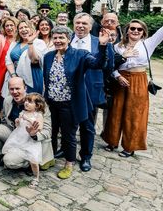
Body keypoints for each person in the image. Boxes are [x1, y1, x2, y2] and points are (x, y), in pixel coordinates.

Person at [43, 25, 109, 179]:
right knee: (51, 133)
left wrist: (103, 46)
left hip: (69, 104)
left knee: (68, 135)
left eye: (61, 37)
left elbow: (98, 64)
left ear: (68, 39)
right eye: (55, 37)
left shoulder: (80, 55)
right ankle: (50, 157)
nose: (58, 40)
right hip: (52, 102)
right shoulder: (48, 57)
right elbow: (48, 80)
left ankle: (69, 162)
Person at [102, 20, 163, 157]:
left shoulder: (148, 43)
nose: (135, 31)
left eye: (139, 29)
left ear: (143, 32)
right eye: (132, 28)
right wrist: (117, 76)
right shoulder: (118, 46)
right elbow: (111, 64)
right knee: (116, 111)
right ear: (127, 30)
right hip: (121, 79)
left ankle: (130, 146)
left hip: (139, 79)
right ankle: (112, 141)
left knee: (135, 113)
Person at [68, 12, 114, 171]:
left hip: (90, 90)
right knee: (68, 124)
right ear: (73, 24)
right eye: (78, 23)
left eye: (84, 24)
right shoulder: (67, 40)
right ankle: (68, 151)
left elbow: (108, 67)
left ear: (91, 26)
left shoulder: (100, 42)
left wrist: (98, 84)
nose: (80, 26)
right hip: (69, 90)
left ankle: (86, 156)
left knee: (87, 126)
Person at [0, 76, 54, 170]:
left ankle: (29, 162)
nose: (14, 92)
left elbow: (48, 130)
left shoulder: (38, 103)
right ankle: (1, 153)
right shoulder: (7, 100)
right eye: (11, 89)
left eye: (17, 88)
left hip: (32, 141)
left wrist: (34, 135)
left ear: (25, 88)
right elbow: (5, 120)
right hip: (15, 134)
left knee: (9, 162)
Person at [2, 93, 46, 188]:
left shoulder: (38, 115)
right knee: (13, 150)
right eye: (26, 100)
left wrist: (29, 120)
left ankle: (36, 177)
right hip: (19, 138)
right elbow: (18, 126)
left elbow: (40, 127)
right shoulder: (22, 112)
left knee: (33, 160)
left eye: (30, 102)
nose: (26, 103)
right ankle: (13, 162)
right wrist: (17, 121)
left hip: (31, 140)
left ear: (37, 105)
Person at [3, 20, 46, 96]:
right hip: (14, 75)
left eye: (26, 27)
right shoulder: (14, 43)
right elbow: (8, 60)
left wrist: (30, 43)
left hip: (32, 76)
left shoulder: (39, 43)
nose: (23, 29)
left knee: (31, 102)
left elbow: (35, 60)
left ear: (31, 29)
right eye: (21, 28)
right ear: (18, 31)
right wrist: (14, 76)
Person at [0, 17, 17, 97]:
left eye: (11, 25)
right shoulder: (1, 38)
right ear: (4, 28)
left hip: (15, 69)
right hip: (2, 69)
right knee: (1, 94)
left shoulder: (19, 39)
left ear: (15, 26)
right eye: (7, 26)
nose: (9, 28)